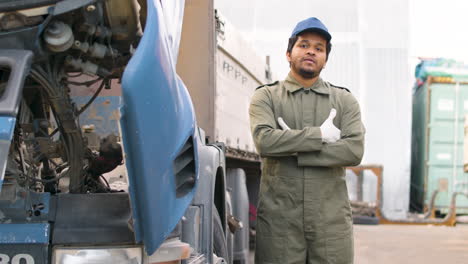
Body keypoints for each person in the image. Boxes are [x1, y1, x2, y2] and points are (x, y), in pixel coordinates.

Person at [249, 17, 365, 264]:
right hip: (280, 222)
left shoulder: (344, 101)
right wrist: (319, 136)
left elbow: (353, 151)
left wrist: (293, 148)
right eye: (304, 45)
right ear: (289, 53)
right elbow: (265, 141)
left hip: (330, 223)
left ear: (325, 59)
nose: (311, 51)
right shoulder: (266, 97)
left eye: (319, 48)